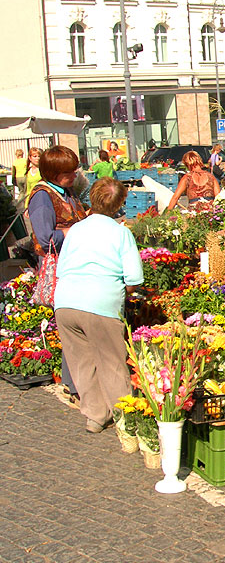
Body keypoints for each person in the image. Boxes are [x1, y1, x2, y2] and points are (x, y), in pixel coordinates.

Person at [54, 177, 143, 433]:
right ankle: (124, 418)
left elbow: (61, 269)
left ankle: (95, 416)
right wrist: (121, 291)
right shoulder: (121, 233)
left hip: (66, 302)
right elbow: (134, 278)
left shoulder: (75, 230)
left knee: (81, 362)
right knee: (111, 361)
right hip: (101, 303)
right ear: (119, 204)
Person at [27, 145, 88, 400]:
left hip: (74, 265)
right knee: (72, 325)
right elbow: (45, 238)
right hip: (59, 268)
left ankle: (77, 381)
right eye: (68, 172)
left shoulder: (66, 192)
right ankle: (73, 384)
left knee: (79, 323)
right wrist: (73, 231)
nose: (74, 175)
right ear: (54, 173)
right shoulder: (42, 197)